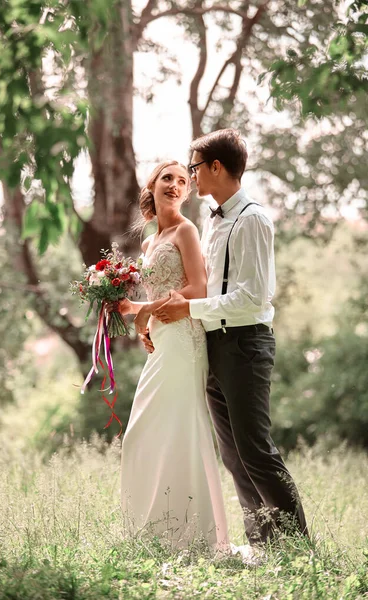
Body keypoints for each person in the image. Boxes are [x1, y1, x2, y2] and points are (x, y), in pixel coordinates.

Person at [151, 129, 308, 549]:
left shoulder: (252, 218)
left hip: (245, 344)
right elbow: (207, 287)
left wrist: (190, 309)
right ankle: (263, 546)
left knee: (256, 450)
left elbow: (251, 297)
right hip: (215, 345)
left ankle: (298, 548)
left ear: (216, 167)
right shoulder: (213, 219)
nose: (191, 176)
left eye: (195, 168)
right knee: (235, 456)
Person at [118, 160, 229, 550]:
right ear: (153, 184)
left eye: (183, 181)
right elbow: (151, 301)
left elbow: (199, 288)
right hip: (162, 341)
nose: (176, 185)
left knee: (177, 430)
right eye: (168, 178)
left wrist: (147, 312)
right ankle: (157, 531)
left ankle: (194, 536)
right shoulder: (149, 242)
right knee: (146, 434)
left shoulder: (187, 230)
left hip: (185, 341)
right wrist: (127, 307)